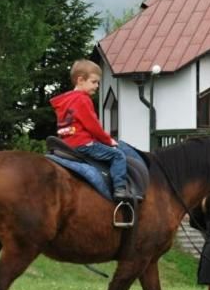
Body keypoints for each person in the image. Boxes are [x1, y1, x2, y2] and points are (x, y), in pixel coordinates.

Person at [50, 59, 142, 201]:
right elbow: (93, 126)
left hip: (67, 143)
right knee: (118, 156)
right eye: (94, 82)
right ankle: (120, 189)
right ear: (80, 80)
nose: (97, 86)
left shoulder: (65, 101)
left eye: (98, 82)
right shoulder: (83, 99)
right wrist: (108, 141)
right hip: (83, 143)